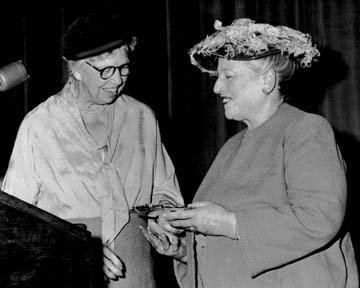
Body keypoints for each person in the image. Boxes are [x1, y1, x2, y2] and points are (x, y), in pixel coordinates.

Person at [141, 18, 359, 287]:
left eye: (228, 76)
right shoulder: (233, 146)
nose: (217, 87)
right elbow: (239, 242)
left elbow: (318, 219)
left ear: (267, 80)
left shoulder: (306, 129)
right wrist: (186, 252)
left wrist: (228, 223)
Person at [1, 13, 184, 287]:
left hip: (133, 268)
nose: (117, 80)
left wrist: (166, 220)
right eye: (106, 71)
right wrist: (72, 251)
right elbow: (15, 225)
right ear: (75, 68)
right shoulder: (39, 125)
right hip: (64, 270)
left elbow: (165, 191)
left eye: (124, 68)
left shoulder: (142, 116)